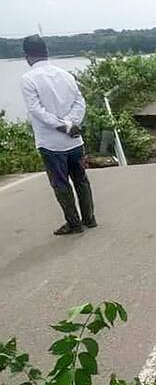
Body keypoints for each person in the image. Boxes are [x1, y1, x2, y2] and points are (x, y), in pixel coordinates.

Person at [20, 35, 96, 236]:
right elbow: (80, 102)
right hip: (74, 140)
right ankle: (90, 218)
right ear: (46, 51)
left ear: (27, 56)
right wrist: (71, 124)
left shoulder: (28, 79)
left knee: (60, 183)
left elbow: (36, 110)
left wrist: (61, 126)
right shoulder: (65, 75)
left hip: (51, 144)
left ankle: (74, 223)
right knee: (81, 179)